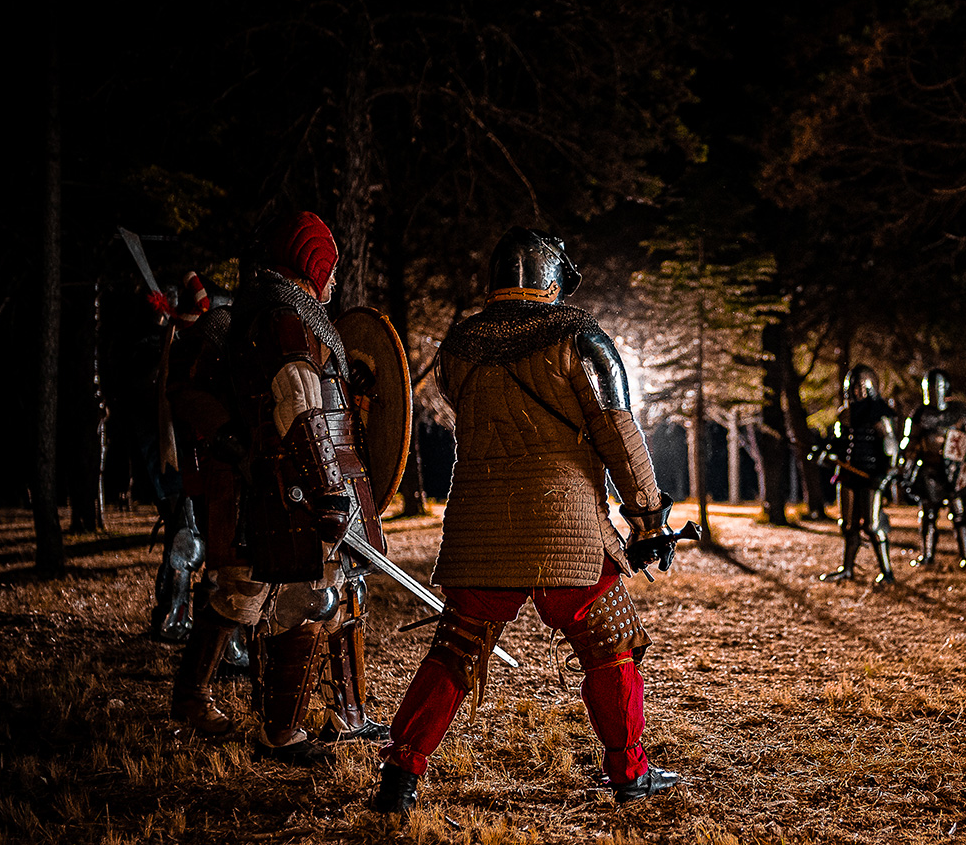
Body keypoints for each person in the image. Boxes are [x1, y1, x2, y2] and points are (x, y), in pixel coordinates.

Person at [372, 227, 683, 813]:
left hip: (481, 526)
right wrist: (648, 518)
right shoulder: (580, 338)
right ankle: (629, 773)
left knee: (454, 650)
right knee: (611, 645)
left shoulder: (461, 345)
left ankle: (400, 773)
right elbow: (617, 433)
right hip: (564, 528)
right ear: (553, 277)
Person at [165, 211, 389, 756]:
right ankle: (276, 728)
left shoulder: (277, 313)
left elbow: (318, 400)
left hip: (297, 480)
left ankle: (336, 715)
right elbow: (299, 406)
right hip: (289, 484)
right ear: (313, 263)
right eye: (331, 266)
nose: (335, 279)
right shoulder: (285, 317)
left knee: (319, 593)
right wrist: (327, 489)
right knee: (287, 596)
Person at [816, 364, 899, 584]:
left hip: (870, 476)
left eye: (860, 387)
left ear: (870, 387)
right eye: (852, 387)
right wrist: (826, 454)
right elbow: (839, 444)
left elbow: (890, 446)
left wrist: (885, 475)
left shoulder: (879, 413)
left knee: (872, 526)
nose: (855, 391)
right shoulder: (845, 414)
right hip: (847, 474)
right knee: (848, 525)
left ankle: (887, 572)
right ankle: (847, 569)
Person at [900, 369, 966, 569]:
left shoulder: (958, 412)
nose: (935, 392)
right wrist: (907, 458)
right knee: (928, 514)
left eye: (938, 387)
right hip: (929, 470)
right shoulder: (919, 414)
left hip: (954, 472)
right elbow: (909, 442)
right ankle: (927, 555)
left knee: (960, 514)